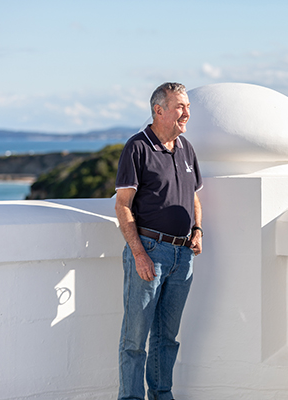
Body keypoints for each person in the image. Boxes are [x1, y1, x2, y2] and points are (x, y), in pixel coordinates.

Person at [115, 82, 203, 400]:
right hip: (150, 251)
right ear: (159, 110)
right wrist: (139, 253)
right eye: (180, 106)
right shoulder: (137, 147)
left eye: (188, 107)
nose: (187, 113)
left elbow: (193, 198)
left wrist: (198, 230)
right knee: (135, 338)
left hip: (183, 256)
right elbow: (122, 204)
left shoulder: (186, 149)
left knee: (167, 337)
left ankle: (161, 395)